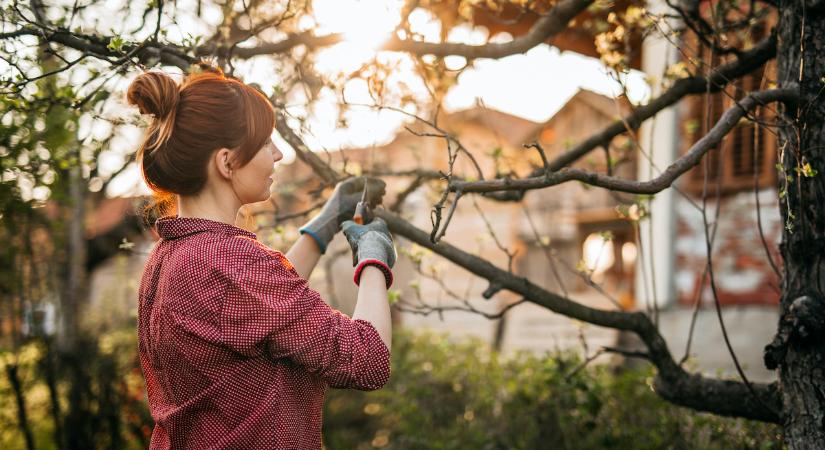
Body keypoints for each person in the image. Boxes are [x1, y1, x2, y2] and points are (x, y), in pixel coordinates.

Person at [127, 63, 396, 449]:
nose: (279, 153)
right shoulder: (229, 262)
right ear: (227, 161)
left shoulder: (171, 255)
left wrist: (325, 224)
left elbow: (261, 313)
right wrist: (374, 257)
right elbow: (366, 360)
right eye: (266, 143)